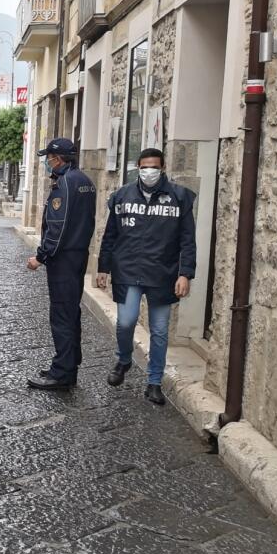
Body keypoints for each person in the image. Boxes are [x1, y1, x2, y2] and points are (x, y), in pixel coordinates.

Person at [96, 148, 196, 405]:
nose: (149, 171)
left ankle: (154, 382)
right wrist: (103, 268)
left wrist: (185, 274)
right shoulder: (121, 196)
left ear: (163, 168)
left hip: (163, 273)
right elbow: (110, 236)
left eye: (154, 166)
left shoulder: (180, 198)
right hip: (128, 270)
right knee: (126, 322)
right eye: (144, 167)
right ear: (137, 168)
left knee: (160, 331)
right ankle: (124, 359)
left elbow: (188, 240)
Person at [26, 138, 97, 390]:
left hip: (64, 259)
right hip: (78, 256)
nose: (48, 163)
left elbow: (58, 226)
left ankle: (62, 372)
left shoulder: (65, 183)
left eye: (49, 159)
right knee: (71, 312)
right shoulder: (85, 181)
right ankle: (69, 362)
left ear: (58, 159)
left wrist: (41, 256)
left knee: (62, 316)